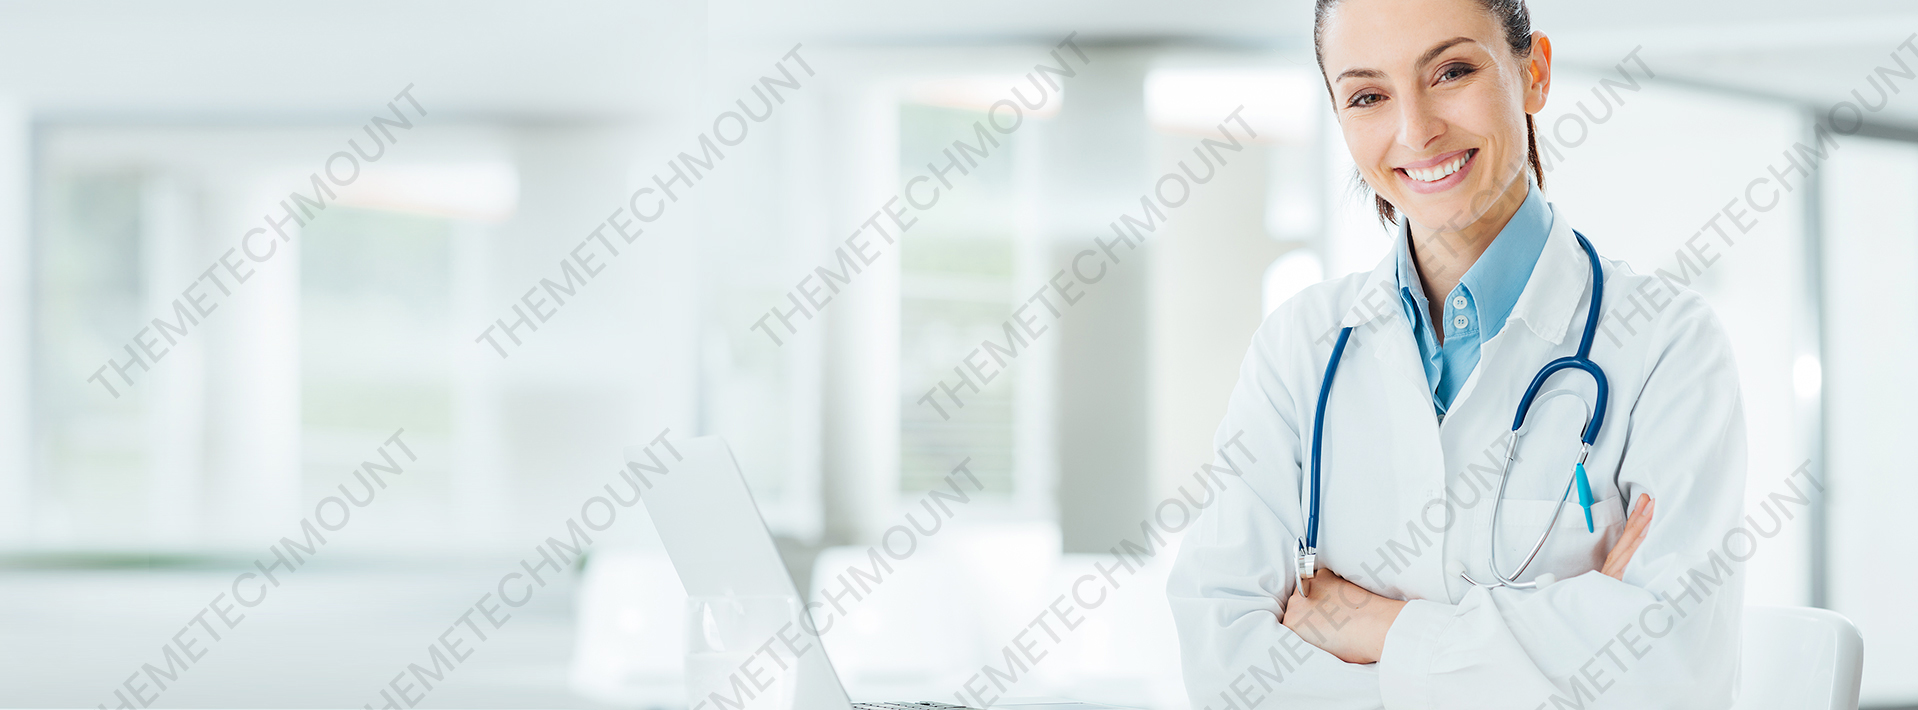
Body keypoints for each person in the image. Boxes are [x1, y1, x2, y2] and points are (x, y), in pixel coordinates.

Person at [1165, 0, 1748, 707]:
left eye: (1451, 72)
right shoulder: (1299, 350)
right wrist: (1569, 638)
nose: (1416, 130)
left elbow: (1676, 671)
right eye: (1368, 96)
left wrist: (1379, 627)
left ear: (1534, 73)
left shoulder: (1667, 345)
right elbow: (1226, 666)